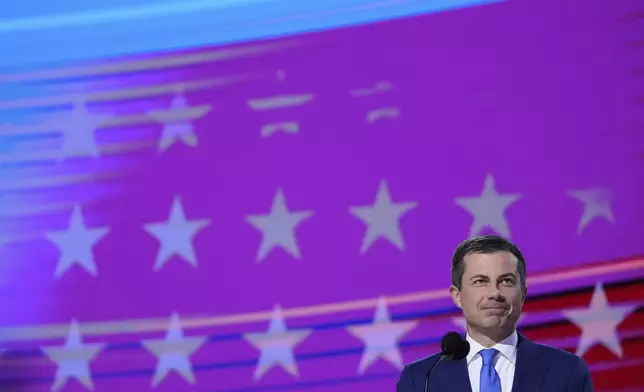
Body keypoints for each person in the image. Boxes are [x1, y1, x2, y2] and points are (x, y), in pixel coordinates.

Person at [396, 235, 593, 392]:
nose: (494, 293)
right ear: (457, 296)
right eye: (480, 281)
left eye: (506, 281)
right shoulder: (421, 379)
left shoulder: (567, 371)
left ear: (523, 294)